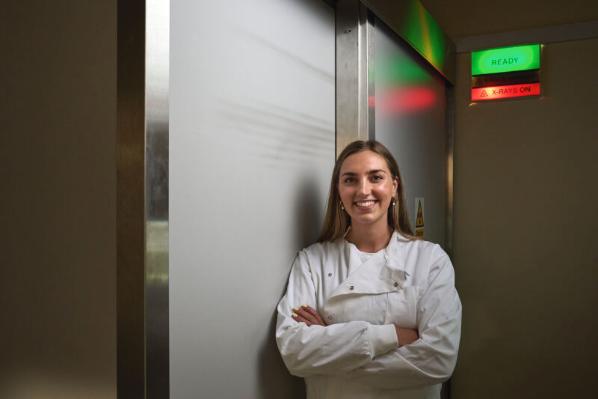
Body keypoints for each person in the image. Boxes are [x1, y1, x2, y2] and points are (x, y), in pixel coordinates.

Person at [275, 140, 461, 399]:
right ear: (338, 191)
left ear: (394, 187)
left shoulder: (430, 260)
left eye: (376, 177)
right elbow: (295, 353)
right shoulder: (312, 261)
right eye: (350, 180)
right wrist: (392, 335)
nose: (363, 190)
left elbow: (439, 359)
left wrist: (330, 349)